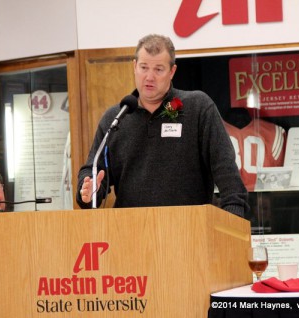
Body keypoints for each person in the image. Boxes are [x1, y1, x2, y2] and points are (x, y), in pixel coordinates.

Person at [76, 34, 248, 216]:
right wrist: (88, 191)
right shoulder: (116, 117)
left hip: (189, 231)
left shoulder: (198, 108)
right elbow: (93, 169)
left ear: (172, 71)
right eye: (144, 68)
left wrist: (233, 220)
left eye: (158, 69)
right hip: (129, 232)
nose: (149, 77)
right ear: (134, 67)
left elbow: (226, 172)